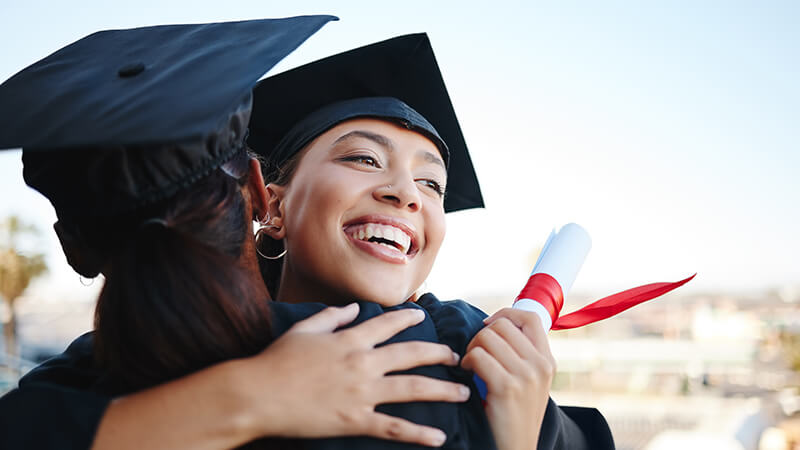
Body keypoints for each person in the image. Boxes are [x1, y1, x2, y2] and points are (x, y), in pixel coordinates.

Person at [0, 20, 615, 450]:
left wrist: (531, 431)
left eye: (432, 185)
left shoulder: (467, 349)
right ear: (270, 199)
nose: (406, 192)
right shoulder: (133, 355)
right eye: (364, 160)